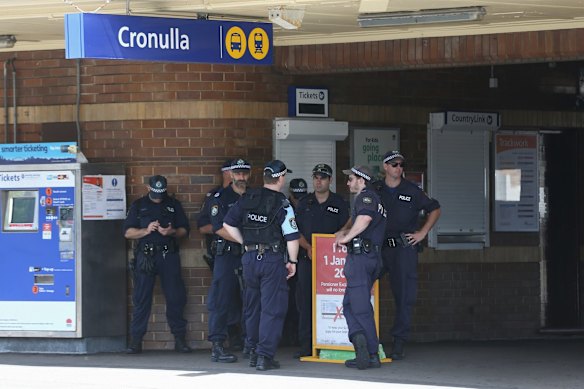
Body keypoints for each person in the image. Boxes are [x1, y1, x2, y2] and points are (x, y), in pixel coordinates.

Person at [223, 160, 300, 371]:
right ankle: (265, 356)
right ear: (281, 178)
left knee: (253, 306)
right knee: (272, 308)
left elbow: (227, 224)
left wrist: (245, 243)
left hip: (249, 260)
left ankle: (252, 350)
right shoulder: (283, 203)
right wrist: (292, 261)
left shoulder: (248, 197)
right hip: (272, 259)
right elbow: (292, 237)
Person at [377, 151, 441, 360]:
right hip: (378, 248)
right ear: (385, 167)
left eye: (401, 164)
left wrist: (422, 233)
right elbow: (359, 213)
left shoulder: (413, 190)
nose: (398, 168)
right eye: (394, 164)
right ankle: (362, 338)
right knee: (358, 286)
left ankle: (398, 342)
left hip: (403, 249)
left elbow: (435, 209)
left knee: (404, 296)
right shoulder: (375, 189)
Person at [124, 175, 192, 354]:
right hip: (145, 256)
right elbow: (128, 232)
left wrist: (172, 231)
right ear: (148, 188)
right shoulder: (139, 205)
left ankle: (180, 339)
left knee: (175, 298)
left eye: (161, 193)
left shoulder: (173, 204)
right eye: (155, 192)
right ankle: (136, 341)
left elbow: (185, 230)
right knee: (141, 299)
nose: (158, 196)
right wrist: (145, 231)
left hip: (167, 255)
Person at [293, 163, 350, 358]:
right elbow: (294, 230)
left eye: (323, 177)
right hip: (307, 259)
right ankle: (306, 346)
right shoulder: (304, 203)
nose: (318, 180)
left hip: (332, 263)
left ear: (330, 180)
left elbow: (347, 228)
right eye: (316, 176)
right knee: (305, 302)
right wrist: (307, 247)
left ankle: (330, 342)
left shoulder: (339, 203)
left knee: (332, 301)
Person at [335, 166, 386, 370]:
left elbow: (365, 219)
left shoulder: (367, 197)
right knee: (349, 304)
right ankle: (360, 343)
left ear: (362, 180)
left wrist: (346, 237)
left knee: (360, 308)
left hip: (362, 258)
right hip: (368, 257)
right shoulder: (372, 198)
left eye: (351, 179)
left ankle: (371, 354)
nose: (348, 183)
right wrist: (345, 231)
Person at [206, 158, 252, 363]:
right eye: (238, 173)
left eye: (244, 173)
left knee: (251, 300)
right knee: (221, 300)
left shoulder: (255, 196)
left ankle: (249, 343)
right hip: (227, 255)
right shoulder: (220, 197)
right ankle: (217, 345)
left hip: (249, 255)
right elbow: (219, 228)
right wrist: (245, 241)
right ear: (231, 175)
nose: (241, 177)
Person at [197, 159, 233, 271]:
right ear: (226, 173)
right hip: (220, 251)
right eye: (236, 172)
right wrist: (224, 229)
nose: (240, 176)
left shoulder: (248, 195)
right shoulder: (214, 196)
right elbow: (202, 227)